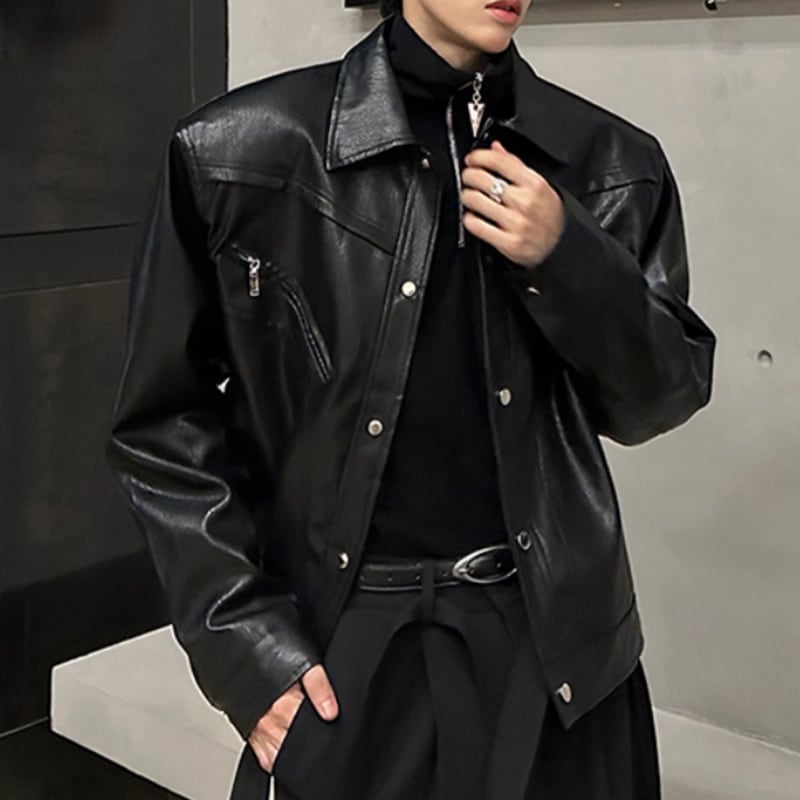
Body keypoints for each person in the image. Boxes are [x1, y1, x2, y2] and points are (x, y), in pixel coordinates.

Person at [107, 1, 716, 798]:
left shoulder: (610, 162)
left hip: (558, 655)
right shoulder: (240, 150)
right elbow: (161, 426)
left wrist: (569, 257)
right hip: (348, 647)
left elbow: (657, 400)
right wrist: (244, 652)